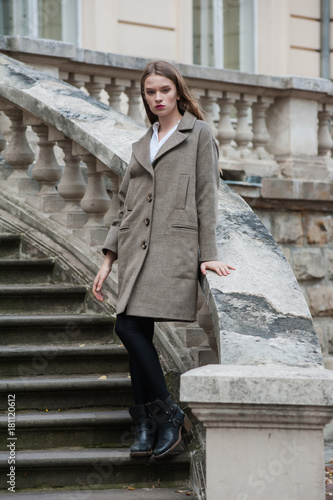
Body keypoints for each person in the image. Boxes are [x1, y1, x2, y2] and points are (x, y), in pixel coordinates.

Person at [93, 60, 235, 459]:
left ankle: (166, 414)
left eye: (164, 91)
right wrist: (108, 258)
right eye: (151, 92)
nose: (157, 98)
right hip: (135, 249)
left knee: (129, 327)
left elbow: (207, 196)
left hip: (173, 248)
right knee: (135, 328)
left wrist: (208, 255)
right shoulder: (143, 142)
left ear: (178, 92)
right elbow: (125, 205)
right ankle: (147, 426)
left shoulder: (198, 133)